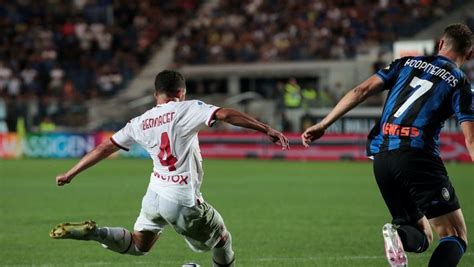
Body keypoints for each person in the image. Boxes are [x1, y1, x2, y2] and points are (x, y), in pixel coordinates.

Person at [50, 70, 290, 267]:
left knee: (138, 246)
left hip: (154, 195)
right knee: (222, 240)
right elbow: (225, 113)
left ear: (156, 94)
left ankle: (96, 233)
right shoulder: (186, 108)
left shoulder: (139, 121)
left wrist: (70, 173)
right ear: (181, 93)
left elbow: (104, 147)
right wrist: (266, 128)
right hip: (181, 199)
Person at [301, 23, 473, 267]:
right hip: (417, 155)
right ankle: (400, 237)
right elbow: (471, 137)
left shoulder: (405, 63)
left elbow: (361, 90)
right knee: (455, 236)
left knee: (422, 237)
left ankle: (399, 237)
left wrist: (324, 123)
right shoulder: (460, 83)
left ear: (441, 44)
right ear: (470, 55)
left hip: (382, 158)